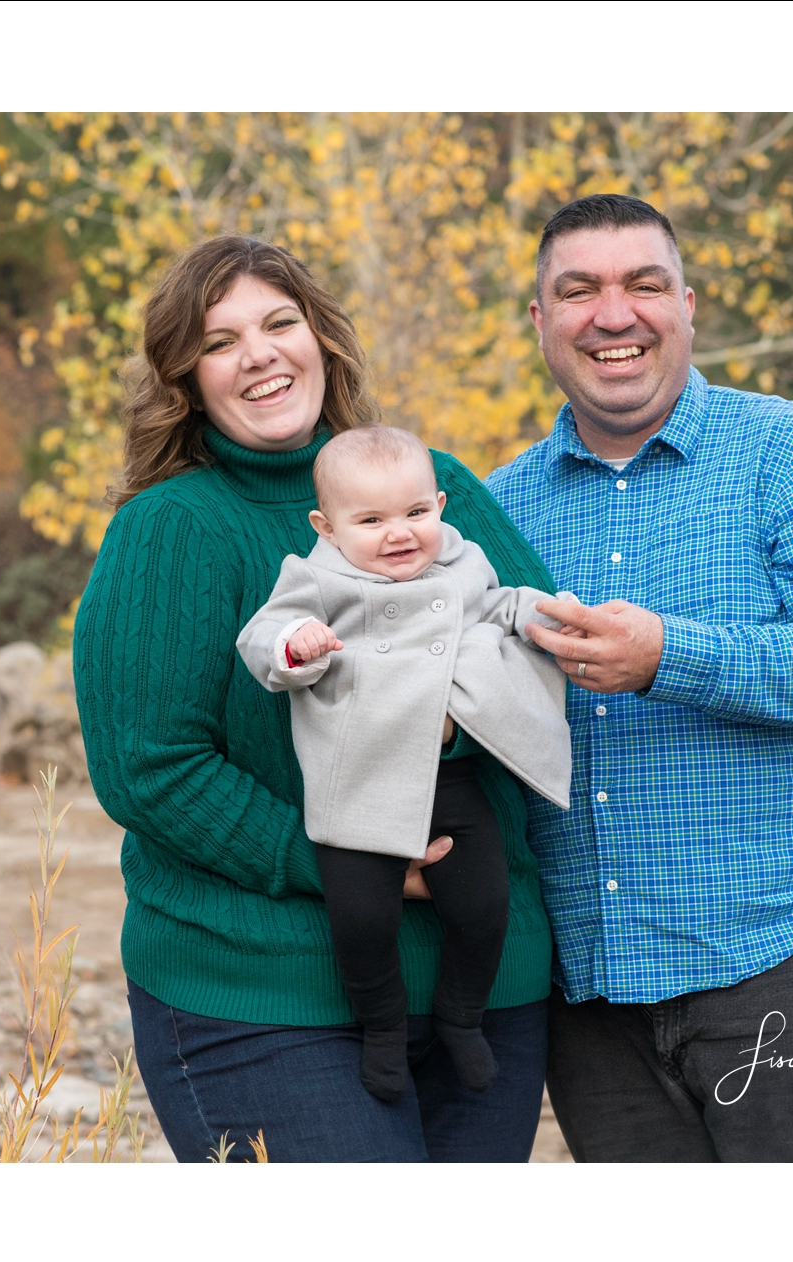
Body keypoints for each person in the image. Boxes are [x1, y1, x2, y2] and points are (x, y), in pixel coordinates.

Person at [73, 236, 559, 1162]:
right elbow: (149, 769)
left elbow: (533, 651)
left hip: (484, 990)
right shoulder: (170, 531)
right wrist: (342, 861)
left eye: (279, 323)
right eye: (220, 341)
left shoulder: (436, 488)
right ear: (188, 379)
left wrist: (443, 727)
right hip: (265, 992)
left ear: (322, 341)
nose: (259, 353)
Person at [484, 193, 793, 1162]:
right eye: (578, 289)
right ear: (541, 321)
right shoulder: (497, 505)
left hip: (783, 965)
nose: (613, 314)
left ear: (688, 304)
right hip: (591, 996)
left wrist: (668, 657)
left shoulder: (790, 449)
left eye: (643, 284)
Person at [236, 425, 573, 1103]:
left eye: (416, 512)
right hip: (358, 783)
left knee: (483, 907)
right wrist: (296, 644)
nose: (399, 533)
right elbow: (262, 635)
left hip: (450, 779)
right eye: (371, 520)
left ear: (440, 505)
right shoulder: (315, 576)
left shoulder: (460, 562)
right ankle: (382, 1028)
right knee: (361, 920)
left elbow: (502, 603)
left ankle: (460, 1015)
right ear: (326, 527)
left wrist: (545, 613)